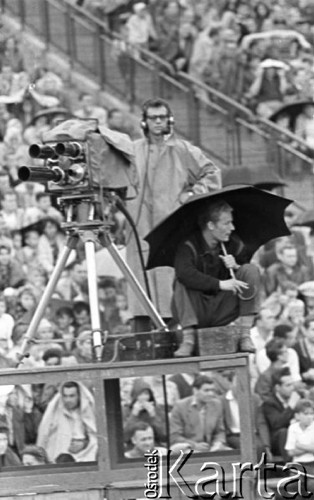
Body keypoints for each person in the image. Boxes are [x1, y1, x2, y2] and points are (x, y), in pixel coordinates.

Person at [126, 98, 221, 332]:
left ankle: (175, 335)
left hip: (171, 228)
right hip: (138, 230)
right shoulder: (132, 150)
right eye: (153, 118)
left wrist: (190, 196)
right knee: (139, 289)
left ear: (170, 120)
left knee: (170, 287)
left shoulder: (183, 149)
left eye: (162, 117)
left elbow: (212, 173)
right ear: (144, 122)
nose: (158, 122)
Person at [172, 200, 259, 356]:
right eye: (226, 223)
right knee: (180, 280)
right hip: (196, 311)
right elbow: (184, 273)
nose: (232, 228)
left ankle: (245, 335)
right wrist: (220, 284)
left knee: (250, 270)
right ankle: (188, 339)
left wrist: (236, 266)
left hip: (222, 308)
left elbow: (248, 276)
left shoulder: (234, 244)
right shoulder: (188, 246)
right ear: (211, 225)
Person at [36, 381, 97, 462]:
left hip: (85, 458)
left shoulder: (87, 411)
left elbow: (95, 437)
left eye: (72, 396)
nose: (68, 400)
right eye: (65, 396)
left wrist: (84, 444)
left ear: (79, 396)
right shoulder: (54, 411)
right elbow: (43, 437)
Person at [169, 374, 226, 452]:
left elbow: (220, 431)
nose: (211, 394)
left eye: (212, 390)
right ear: (195, 390)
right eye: (206, 390)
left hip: (211, 448)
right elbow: (175, 436)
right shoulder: (180, 406)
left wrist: (218, 443)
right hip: (188, 448)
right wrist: (194, 445)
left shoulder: (217, 404)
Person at [262, 367, 301, 460]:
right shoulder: (269, 403)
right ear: (277, 387)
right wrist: (290, 407)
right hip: (279, 441)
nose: (292, 388)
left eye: (292, 384)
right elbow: (277, 424)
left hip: (297, 435)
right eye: (288, 385)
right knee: (283, 432)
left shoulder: (298, 397)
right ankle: (291, 466)